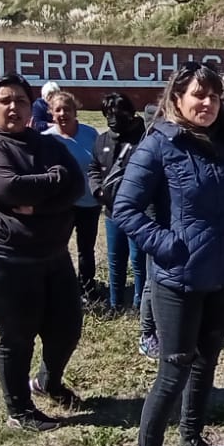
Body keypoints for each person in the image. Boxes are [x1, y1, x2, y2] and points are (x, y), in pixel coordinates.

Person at [114, 62, 224, 446]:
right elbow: (125, 208)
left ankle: (191, 437)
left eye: (215, 95)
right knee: (175, 367)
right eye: (198, 95)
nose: (208, 103)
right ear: (176, 99)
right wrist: (167, 246)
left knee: (206, 361)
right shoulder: (159, 144)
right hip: (178, 277)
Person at [0, 75, 87, 432]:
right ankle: (19, 410)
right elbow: (8, 186)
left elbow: (76, 184)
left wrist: (41, 203)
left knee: (66, 329)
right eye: (5, 101)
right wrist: (53, 182)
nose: (14, 107)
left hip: (52, 257)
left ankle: (48, 381)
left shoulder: (42, 142)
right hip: (2, 262)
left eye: (20, 100)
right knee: (16, 338)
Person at [86, 92, 148, 312]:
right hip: (112, 211)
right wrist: (97, 190)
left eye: (118, 113)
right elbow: (93, 167)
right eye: (108, 114)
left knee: (139, 261)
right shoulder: (102, 139)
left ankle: (140, 305)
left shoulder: (145, 137)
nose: (113, 118)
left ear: (130, 112)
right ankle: (115, 303)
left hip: (138, 212)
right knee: (115, 261)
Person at [44, 90, 103, 297]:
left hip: (89, 202)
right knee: (57, 248)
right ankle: (60, 288)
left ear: (75, 111)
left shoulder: (90, 134)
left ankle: (87, 289)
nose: (62, 113)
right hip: (62, 204)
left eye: (67, 109)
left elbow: (99, 165)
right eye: (57, 110)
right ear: (51, 114)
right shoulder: (45, 139)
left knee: (86, 249)